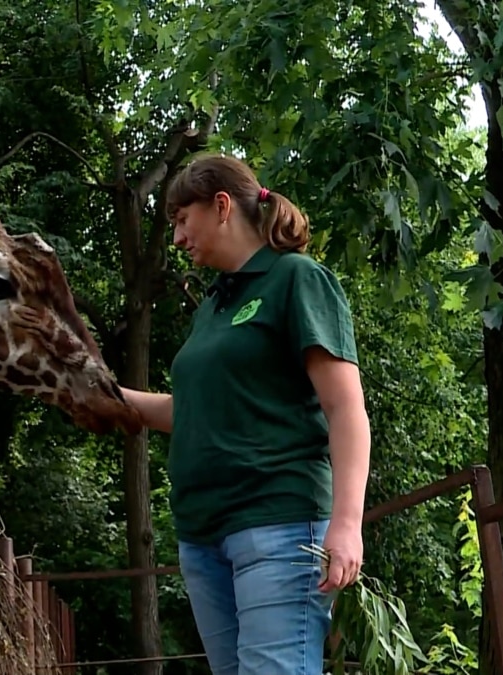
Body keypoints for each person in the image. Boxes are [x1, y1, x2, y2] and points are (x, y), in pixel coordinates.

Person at [118, 153, 371, 675]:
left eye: (182, 220)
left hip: (279, 522)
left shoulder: (295, 278)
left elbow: (344, 406)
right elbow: (191, 412)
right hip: (203, 538)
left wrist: (347, 524)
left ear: (222, 205)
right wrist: (90, 392)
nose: (179, 238)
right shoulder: (215, 305)